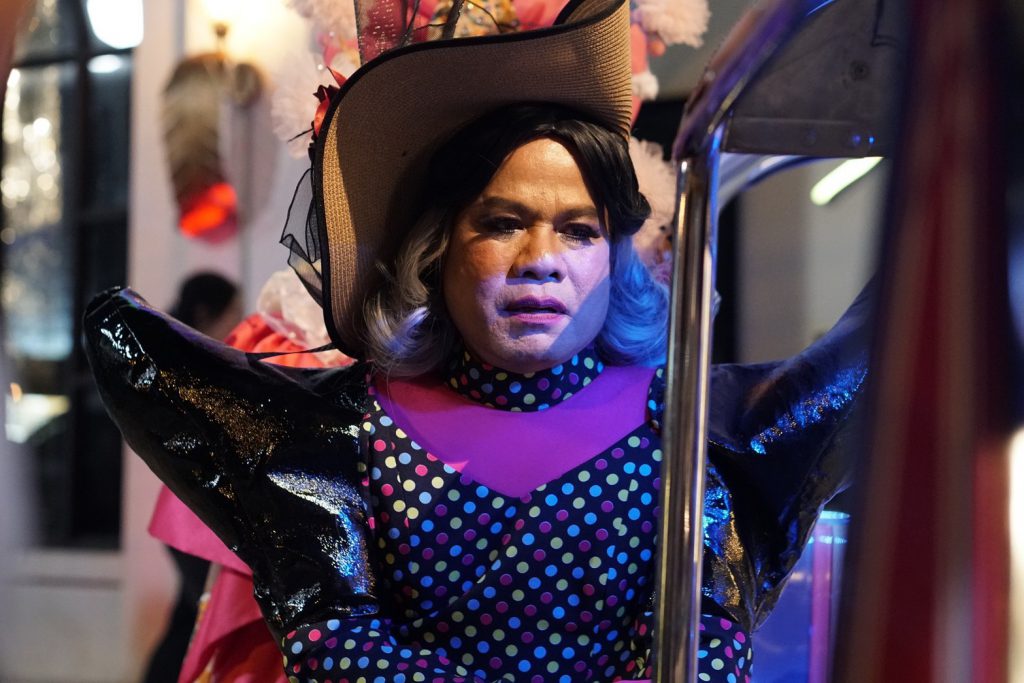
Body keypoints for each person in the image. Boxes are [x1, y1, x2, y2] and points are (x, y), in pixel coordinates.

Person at [83, 0, 869, 680]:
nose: (541, 261)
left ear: (618, 256)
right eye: (502, 222)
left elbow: (704, 642)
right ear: (439, 249)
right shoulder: (348, 431)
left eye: (578, 230)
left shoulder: (693, 432)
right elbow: (334, 638)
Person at [141, 272, 243, 683]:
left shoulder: (181, 360)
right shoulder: (189, 366)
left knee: (191, 616)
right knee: (200, 617)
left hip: (188, 512)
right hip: (192, 513)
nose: (241, 322)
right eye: (234, 312)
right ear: (206, 313)